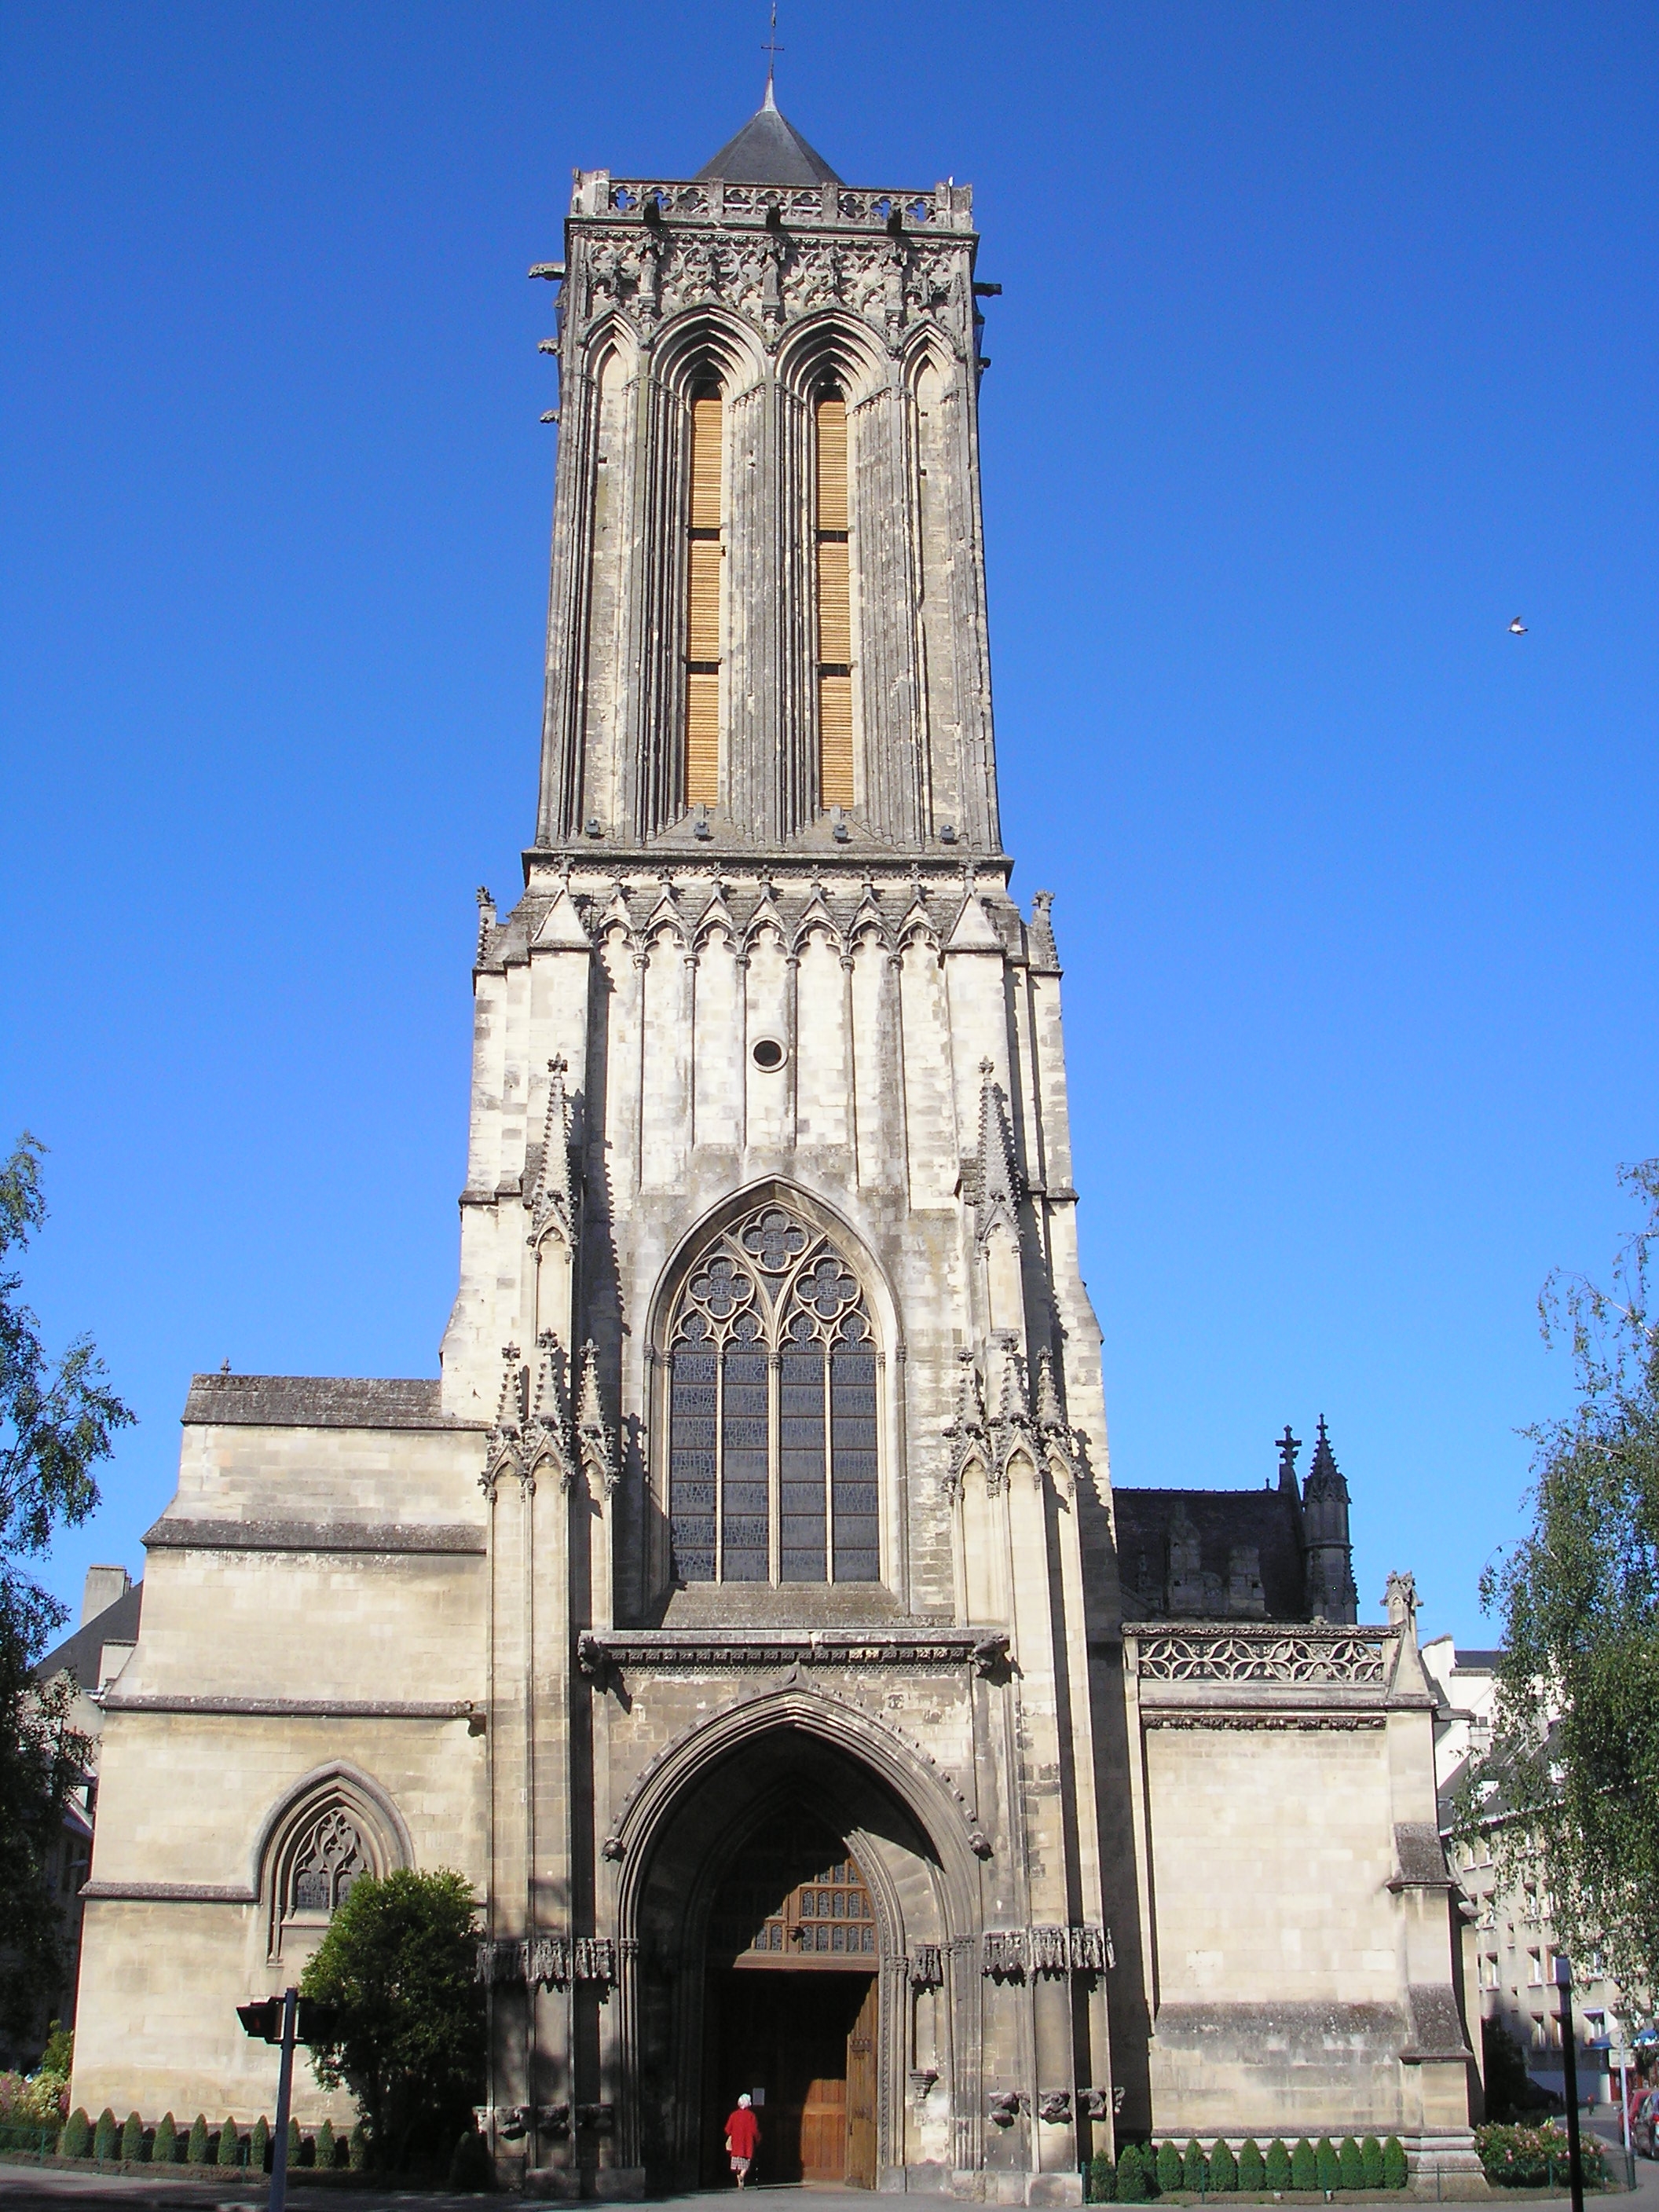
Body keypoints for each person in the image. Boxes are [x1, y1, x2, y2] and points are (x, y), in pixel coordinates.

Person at [724, 2093, 760, 2188]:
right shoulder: (751, 2115)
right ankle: (742, 2176)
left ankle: (740, 2181)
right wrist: (758, 2139)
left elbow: (727, 2129)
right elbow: (754, 2130)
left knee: (737, 2164)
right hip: (747, 2143)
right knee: (746, 2163)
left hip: (736, 2143)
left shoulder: (733, 2115)